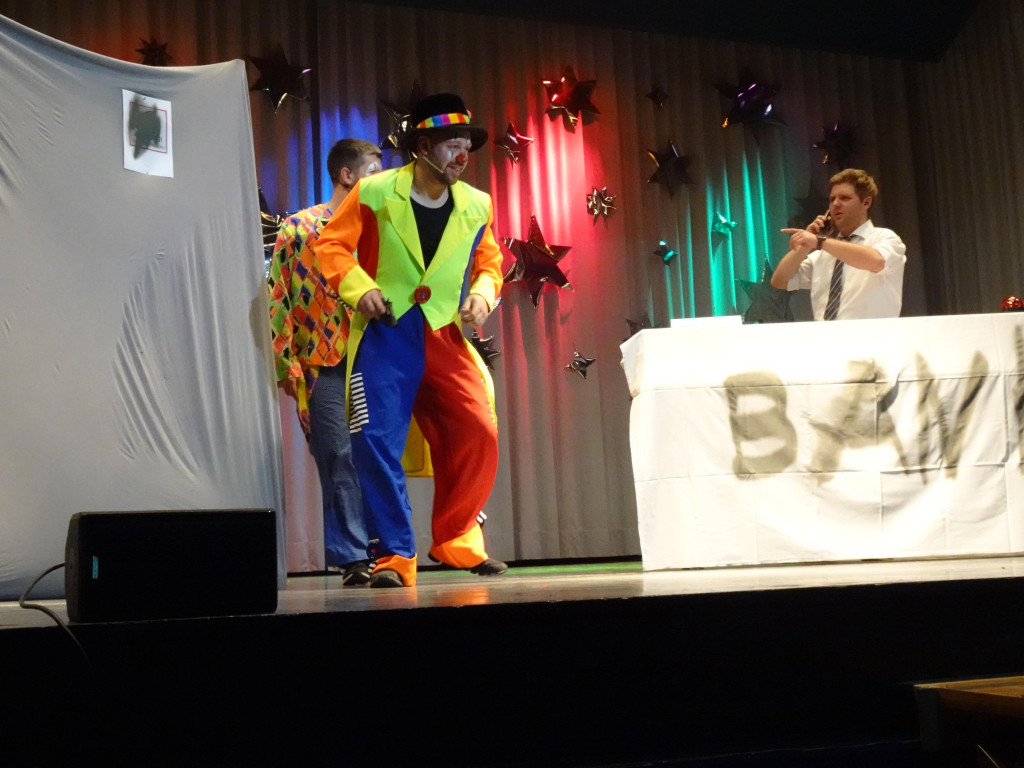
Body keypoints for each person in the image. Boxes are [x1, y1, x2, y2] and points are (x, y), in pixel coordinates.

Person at [311, 92, 507, 588]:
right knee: (374, 439)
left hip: (443, 334)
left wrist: (482, 295)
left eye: (466, 146)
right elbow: (331, 246)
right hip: (386, 333)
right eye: (451, 145)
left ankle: (457, 535)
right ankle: (396, 553)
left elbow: (490, 264)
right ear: (422, 146)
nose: (462, 156)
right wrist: (361, 288)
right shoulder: (375, 192)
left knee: (477, 429)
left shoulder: (477, 204)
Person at [268, 138, 382, 585]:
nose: (380, 181)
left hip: (372, 357)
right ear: (347, 175)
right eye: (373, 172)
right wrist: (286, 362)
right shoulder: (299, 228)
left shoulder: (379, 233)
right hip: (321, 359)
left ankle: (388, 550)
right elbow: (278, 294)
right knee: (336, 454)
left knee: (376, 453)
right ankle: (352, 556)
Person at [772, 168, 906, 320]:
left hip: (872, 334)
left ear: (866, 202)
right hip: (826, 334)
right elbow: (780, 281)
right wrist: (804, 246)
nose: (835, 204)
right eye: (832, 199)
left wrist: (819, 241)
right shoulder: (824, 252)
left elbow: (876, 261)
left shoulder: (885, 238)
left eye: (844, 198)